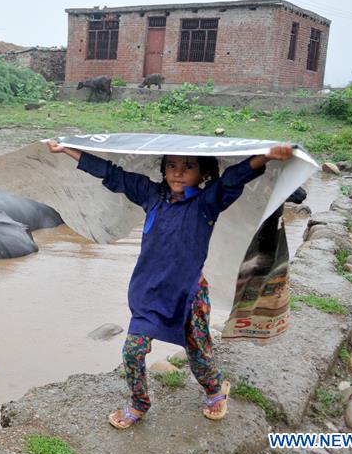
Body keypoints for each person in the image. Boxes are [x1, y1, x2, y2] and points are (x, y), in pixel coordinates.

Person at [46, 140, 294, 429]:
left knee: (198, 352)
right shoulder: (150, 195)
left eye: (188, 167)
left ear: (202, 173)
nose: (178, 173)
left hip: (188, 295)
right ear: (163, 169)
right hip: (149, 294)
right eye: (172, 165)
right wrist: (66, 149)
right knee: (133, 351)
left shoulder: (206, 203)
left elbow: (233, 178)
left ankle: (214, 389)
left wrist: (265, 156)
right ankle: (139, 403)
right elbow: (111, 173)